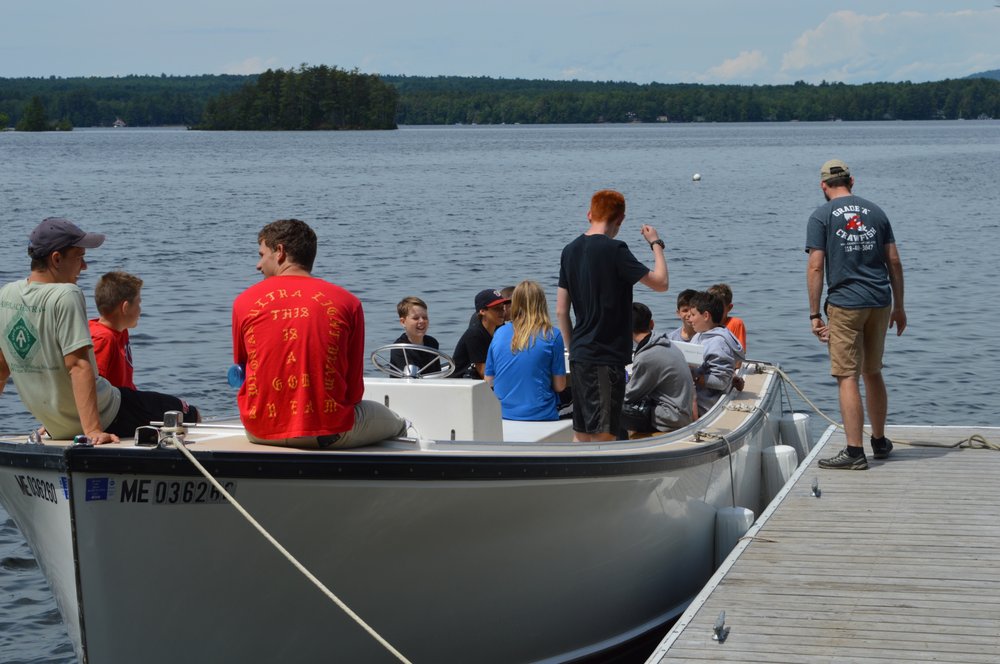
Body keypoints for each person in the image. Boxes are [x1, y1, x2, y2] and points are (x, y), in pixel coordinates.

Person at [0, 217, 199, 444]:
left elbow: (2, 366)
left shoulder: (6, 294)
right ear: (56, 259)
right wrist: (93, 430)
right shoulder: (67, 294)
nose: (84, 267)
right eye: (80, 258)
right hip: (110, 411)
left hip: (55, 422)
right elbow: (78, 365)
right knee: (187, 412)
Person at [232, 218, 406, 448]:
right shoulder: (347, 302)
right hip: (328, 434)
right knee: (397, 422)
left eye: (262, 254)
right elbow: (354, 391)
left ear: (280, 252)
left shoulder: (244, 302)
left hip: (259, 431)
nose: (258, 264)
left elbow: (243, 371)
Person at [806, 159, 906, 470]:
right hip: (880, 301)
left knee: (847, 375)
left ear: (823, 185)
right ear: (852, 181)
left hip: (847, 304)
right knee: (873, 371)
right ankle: (879, 441)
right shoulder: (876, 211)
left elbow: (816, 266)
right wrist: (900, 306)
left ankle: (853, 451)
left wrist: (814, 314)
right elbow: (894, 262)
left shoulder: (821, 216)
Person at [556, 189, 669, 442]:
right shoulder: (616, 249)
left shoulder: (569, 250)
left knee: (582, 433)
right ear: (621, 219)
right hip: (606, 357)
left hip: (579, 354)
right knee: (605, 434)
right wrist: (656, 244)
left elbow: (562, 310)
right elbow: (661, 283)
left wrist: (572, 347)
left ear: (589, 214)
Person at [484, 281, 567, 421]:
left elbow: (489, 381)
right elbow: (559, 386)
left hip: (503, 415)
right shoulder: (553, 335)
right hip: (541, 415)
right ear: (542, 304)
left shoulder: (499, 333)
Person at [623, 303, 695, 438]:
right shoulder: (665, 343)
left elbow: (629, 396)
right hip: (681, 412)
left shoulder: (647, 356)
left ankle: (619, 449)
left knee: (611, 407)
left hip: (671, 418)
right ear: (652, 323)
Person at [687, 291, 745, 416]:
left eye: (693, 314)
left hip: (705, 405)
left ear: (706, 316)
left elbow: (720, 382)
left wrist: (693, 377)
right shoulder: (699, 335)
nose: (689, 318)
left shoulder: (718, 343)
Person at [89, 271, 143, 389]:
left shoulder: (121, 331)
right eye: (138, 303)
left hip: (129, 398)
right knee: (182, 407)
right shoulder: (103, 339)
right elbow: (94, 387)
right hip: (116, 403)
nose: (140, 310)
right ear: (125, 307)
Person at [452, 288, 509, 379]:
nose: (502, 312)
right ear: (482, 311)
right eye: (496, 309)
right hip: (462, 381)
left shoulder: (500, 328)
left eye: (502, 308)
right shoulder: (475, 334)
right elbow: (484, 373)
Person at [389, 296, 442, 377]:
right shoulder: (399, 349)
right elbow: (410, 380)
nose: (421, 321)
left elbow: (437, 374)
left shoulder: (432, 343)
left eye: (425, 317)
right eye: (416, 318)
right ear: (403, 322)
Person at [707, 283, 747, 352]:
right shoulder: (704, 322)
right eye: (711, 305)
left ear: (729, 308)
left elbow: (741, 353)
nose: (714, 309)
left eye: (719, 306)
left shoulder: (735, 323)